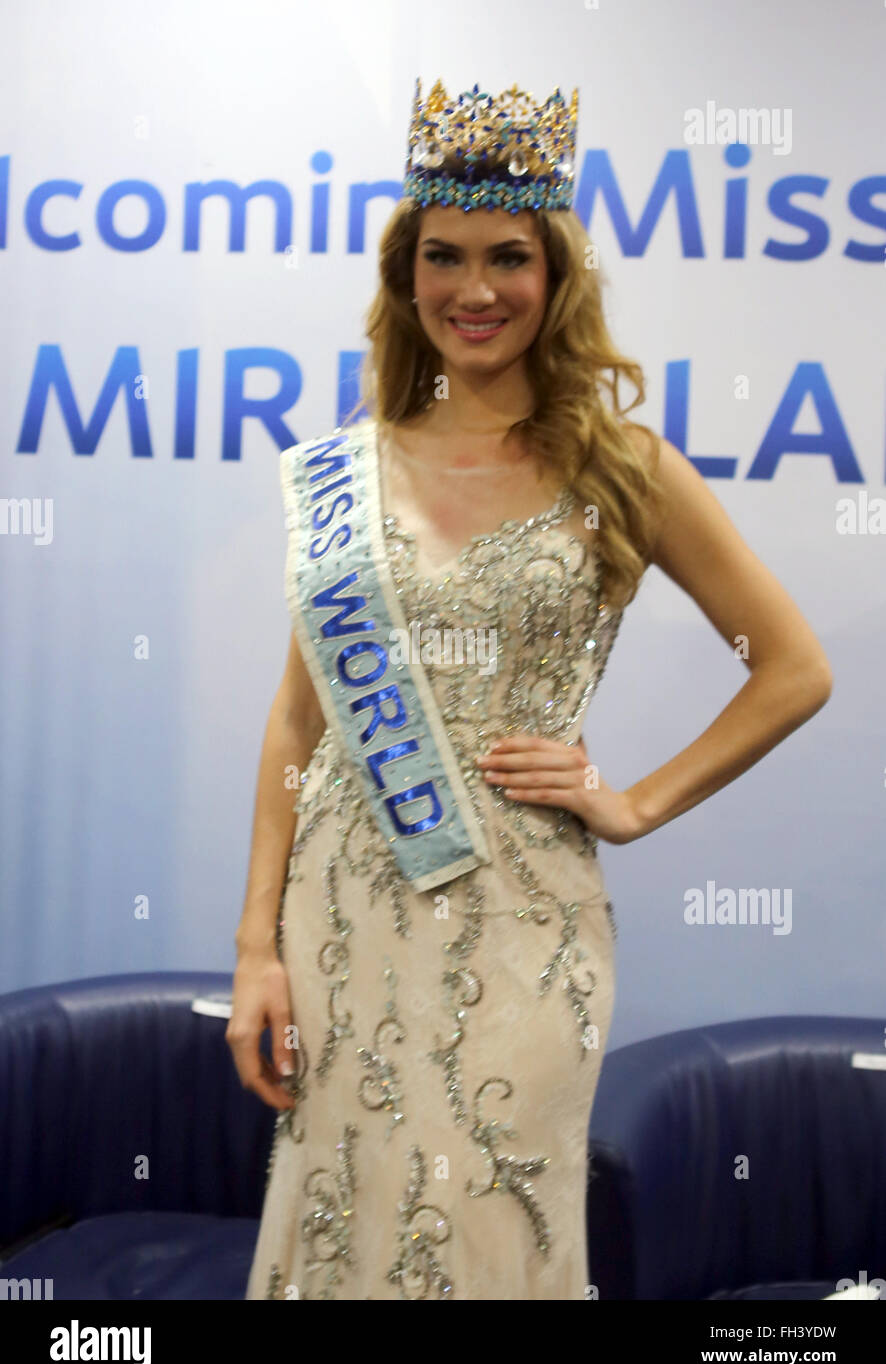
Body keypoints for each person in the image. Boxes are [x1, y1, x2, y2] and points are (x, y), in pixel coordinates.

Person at [229, 80, 832, 1301]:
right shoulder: (350, 470)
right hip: (341, 914)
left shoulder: (621, 465)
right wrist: (256, 943)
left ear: (556, 278)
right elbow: (300, 719)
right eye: (443, 257)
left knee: (492, 1217)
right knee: (340, 1210)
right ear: (407, 278)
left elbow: (793, 667)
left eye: (510, 258)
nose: (475, 289)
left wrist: (639, 801)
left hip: (523, 922)